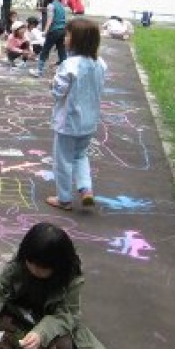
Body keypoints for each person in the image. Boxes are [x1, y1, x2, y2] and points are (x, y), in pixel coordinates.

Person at [0, 222, 112, 349]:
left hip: (44, 321)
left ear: (59, 265)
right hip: (16, 310)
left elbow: (67, 314)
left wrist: (41, 333)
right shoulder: (22, 260)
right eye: (31, 263)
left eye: (43, 267)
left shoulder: (72, 278)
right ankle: (2, 330)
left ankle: (1, 334)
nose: (35, 270)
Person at [45, 18, 106, 211]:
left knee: (63, 160)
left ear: (76, 40)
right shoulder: (100, 63)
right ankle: (85, 188)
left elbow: (58, 92)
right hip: (89, 121)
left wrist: (52, 83)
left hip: (68, 122)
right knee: (80, 155)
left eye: (68, 35)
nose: (65, 38)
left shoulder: (69, 64)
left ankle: (64, 198)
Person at [29, 0, 66, 78]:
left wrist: (45, 31)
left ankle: (39, 71)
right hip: (63, 30)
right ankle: (64, 71)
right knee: (62, 51)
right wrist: (43, 9)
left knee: (45, 50)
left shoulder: (50, 5)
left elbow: (50, 20)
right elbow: (55, 12)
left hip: (54, 31)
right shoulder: (59, 4)